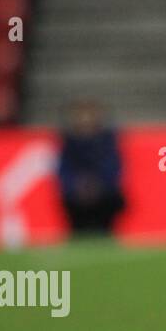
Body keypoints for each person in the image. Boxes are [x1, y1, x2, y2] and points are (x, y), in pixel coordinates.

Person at [56, 100, 125, 236]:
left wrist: (97, 185)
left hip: (104, 193)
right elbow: (63, 170)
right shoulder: (68, 143)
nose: (85, 120)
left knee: (113, 200)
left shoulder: (107, 140)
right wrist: (77, 185)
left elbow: (114, 167)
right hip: (75, 195)